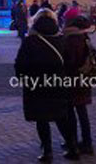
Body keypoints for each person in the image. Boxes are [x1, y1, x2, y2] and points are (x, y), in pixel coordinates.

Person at [15, 9, 79, 162]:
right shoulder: (61, 40)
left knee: (41, 119)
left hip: (37, 86)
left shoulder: (30, 41)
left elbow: (20, 65)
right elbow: (70, 64)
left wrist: (24, 80)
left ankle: (47, 152)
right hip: (58, 85)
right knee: (62, 117)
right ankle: (73, 148)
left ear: (35, 22)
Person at [62, 15, 96, 156]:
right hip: (84, 80)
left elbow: (69, 62)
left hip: (72, 81)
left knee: (70, 114)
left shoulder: (71, 40)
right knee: (82, 113)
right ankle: (87, 143)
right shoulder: (85, 38)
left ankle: (73, 143)